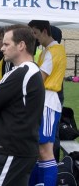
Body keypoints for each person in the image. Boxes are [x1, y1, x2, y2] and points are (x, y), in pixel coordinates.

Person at [0, 24, 45, 185]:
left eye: (7, 44)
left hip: (11, 151)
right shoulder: (28, 71)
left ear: (21, 45)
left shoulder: (22, 72)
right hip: (17, 149)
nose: (2, 48)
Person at [28, 20, 67, 186]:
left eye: (35, 33)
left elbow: (39, 79)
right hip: (45, 102)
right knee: (40, 150)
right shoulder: (48, 51)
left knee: (45, 151)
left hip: (48, 103)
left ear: (45, 31)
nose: (34, 37)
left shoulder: (54, 51)